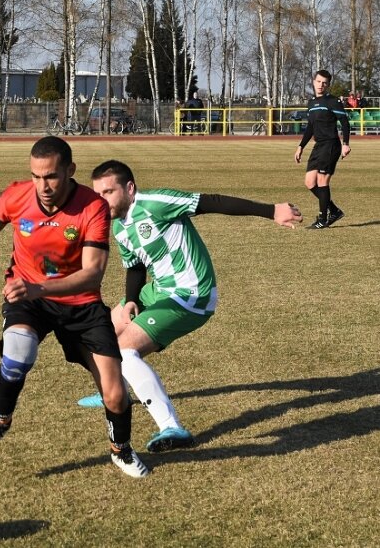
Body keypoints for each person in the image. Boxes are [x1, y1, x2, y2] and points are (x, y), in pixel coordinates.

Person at [77, 160, 302, 453]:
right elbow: (135, 268)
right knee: (98, 332)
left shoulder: (156, 203)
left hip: (191, 294)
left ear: (130, 188)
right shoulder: (118, 224)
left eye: (108, 191)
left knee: (123, 350)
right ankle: (113, 387)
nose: (101, 200)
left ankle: (172, 428)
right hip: (157, 290)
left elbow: (211, 202)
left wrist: (271, 210)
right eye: (98, 193)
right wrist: (131, 298)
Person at [0, 136, 149, 478]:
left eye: (51, 176)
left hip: (80, 305)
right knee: (17, 351)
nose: (43, 185)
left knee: (115, 393)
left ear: (70, 171)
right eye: (36, 176)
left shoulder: (92, 206)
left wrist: (38, 287)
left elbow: (92, 273)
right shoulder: (18, 194)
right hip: (28, 299)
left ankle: (121, 451)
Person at [294, 69, 350, 229]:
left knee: (322, 180)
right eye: (318, 81)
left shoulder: (333, 101)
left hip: (331, 145)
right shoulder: (311, 103)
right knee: (309, 182)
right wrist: (300, 147)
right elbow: (310, 127)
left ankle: (322, 219)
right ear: (314, 81)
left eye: (324, 83)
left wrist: (345, 144)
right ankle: (334, 211)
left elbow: (345, 123)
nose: (321, 85)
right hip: (318, 146)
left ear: (328, 85)